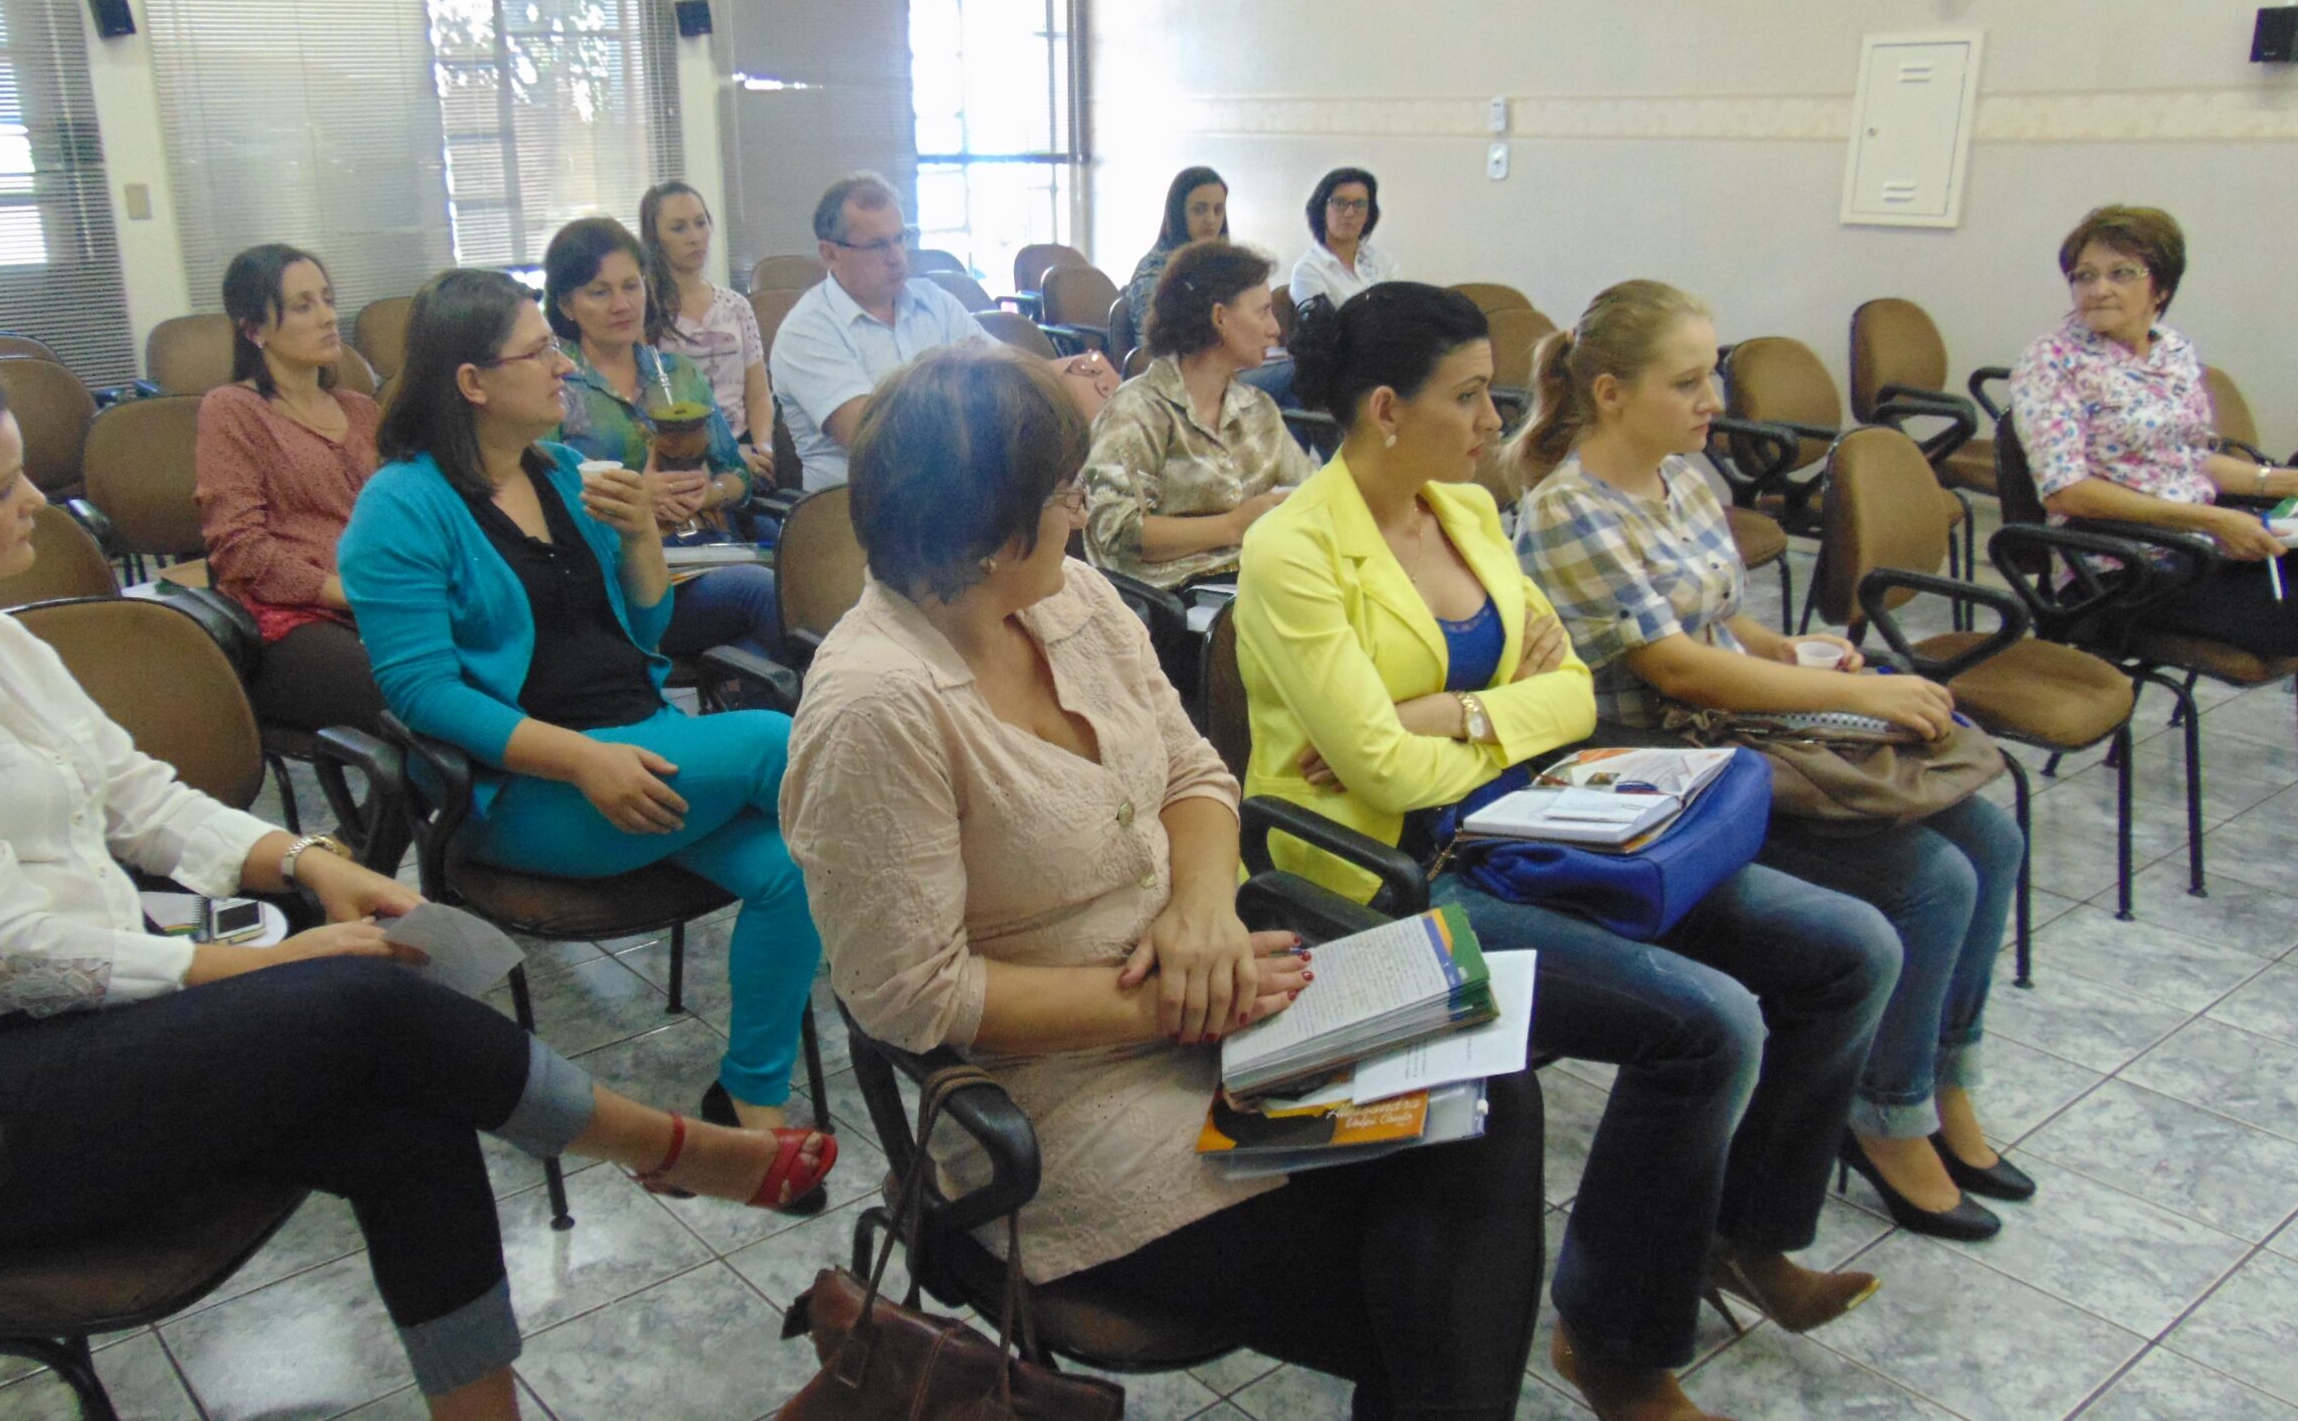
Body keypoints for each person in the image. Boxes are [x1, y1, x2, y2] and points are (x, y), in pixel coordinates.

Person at [0, 337, 835, 1421]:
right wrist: (246, 963)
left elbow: (138, 796)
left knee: (403, 1112)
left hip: (54, 1037)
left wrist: (307, 859)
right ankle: (671, 1147)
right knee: (354, 1000)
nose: (38, 498)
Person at [784, 344, 1547, 1421]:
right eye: (1061, 495)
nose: (1082, 511)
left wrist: (1201, 910)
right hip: (1065, 1094)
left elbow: (1193, 772)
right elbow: (910, 995)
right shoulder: (879, 708)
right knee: (1420, 1285)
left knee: (1485, 1096)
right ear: (989, 529)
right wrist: (1167, 996)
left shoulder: (1072, 598)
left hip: (1212, 998)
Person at [1239, 283, 1898, 1421]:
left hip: (1534, 824)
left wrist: (1453, 715)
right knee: (1709, 1023)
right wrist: (1487, 714)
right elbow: (1385, 777)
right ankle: (1613, 1338)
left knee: (1850, 946)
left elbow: (1569, 695)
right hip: (1396, 882)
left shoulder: (1472, 512)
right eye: (1467, 397)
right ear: (1386, 407)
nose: (1496, 420)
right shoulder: (1294, 549)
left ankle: (1743, 1235)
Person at [1512, 279, 2031, 1249]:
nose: (1713, 396)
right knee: (1929, 882)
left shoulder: (1684, 477)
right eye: (1688, 380)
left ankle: (1947, 1078)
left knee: (1988, 838)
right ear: (1612, 392)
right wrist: (1864, 698)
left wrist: (1807, 655)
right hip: (1658, 766)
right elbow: (1674, 664)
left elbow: (1725, 624)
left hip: (1735, 735)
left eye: (1711, 371)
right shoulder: (1567, 509)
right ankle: (1887, 1116)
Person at [336, 270, 826, 1178]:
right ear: (473, 382)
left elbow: (638, 635)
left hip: (643, 751)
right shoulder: (399, 508)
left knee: (794, 867)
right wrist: (580, 762)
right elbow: (422, 696)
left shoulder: (561, 473)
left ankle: (748, 1100)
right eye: (540, 350)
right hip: (534, 791)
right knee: (777, 738)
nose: (564, 365)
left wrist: (641, 534)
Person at [2009, 204, 2297, 658]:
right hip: (2121, 573)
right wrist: (2214, 519)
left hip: (2197, 549)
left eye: (2120, 273)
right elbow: (2065, 492)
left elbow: (2186, 458)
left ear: (2160, 287)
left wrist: (2279, 481)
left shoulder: (2174, 351)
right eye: (2084, 276)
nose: (2098, 290)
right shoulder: (2052, 360)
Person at [771, 172, 1118, 491]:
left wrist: (1065, 373)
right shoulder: (806, 331)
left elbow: (1006, 373)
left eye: (900, 238)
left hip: (956, 490)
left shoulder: (933, 301)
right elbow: (877, 438)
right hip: (862, 507)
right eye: (878, 245)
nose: (896, 257)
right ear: (830, 253)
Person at [541, 215, 777, 658]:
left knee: (764, 640)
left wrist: (708, 492)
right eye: (600, 291)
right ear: (567, 305)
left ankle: (755, 707)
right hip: (626, 578)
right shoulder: (555, 386)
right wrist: (636, 498)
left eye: (631, 286)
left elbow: (739, 477)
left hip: (706, 552)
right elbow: (543, 507)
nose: (622, 304)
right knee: (766, 593)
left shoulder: (678, 373)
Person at [194, 243, 386, 735]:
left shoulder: (362, 410)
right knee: (410, 692)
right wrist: (346, 593)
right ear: (254, 329)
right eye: (303, 306)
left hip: (377, 600)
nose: (327, 317)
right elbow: (239, 550)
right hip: (290, 619)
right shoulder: (233, 409)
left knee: (492, 668)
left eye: (327, 299)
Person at [1081, 241, 1310, 589]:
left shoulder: (1256, 407)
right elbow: (1115, 531)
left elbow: (1308, 492)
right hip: (1174, 602)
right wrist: (1232, 526)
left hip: (1254, 582)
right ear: (1219, 317)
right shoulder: (1138, 410)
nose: (1275, 329)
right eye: (1262, 312)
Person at [640, 181, 777, 490]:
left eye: (701, 223)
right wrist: (728, 455)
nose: (694, 237)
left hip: (743, 448)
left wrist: (762, 448)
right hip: (681, 455)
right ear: (654, 239)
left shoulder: (735, 306)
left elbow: (758, 393)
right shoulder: (645, 312)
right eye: (678, 228)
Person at [1111, 165, 1229, 361]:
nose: (1211, 219)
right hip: (1180, 376)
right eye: (1199, 210)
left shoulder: (1224, 266)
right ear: (1178, 213)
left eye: (1218, 210)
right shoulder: (1154, 273)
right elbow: (1158, 351)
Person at [1286, 168, 1398, 312]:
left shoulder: (1383, 261)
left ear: (1368, 214)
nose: (1349, 213)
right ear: (1321, 209)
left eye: (1359, 204)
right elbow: (1326, 330)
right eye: (1339, 203)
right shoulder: (1308, 271)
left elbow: (1401, 313)